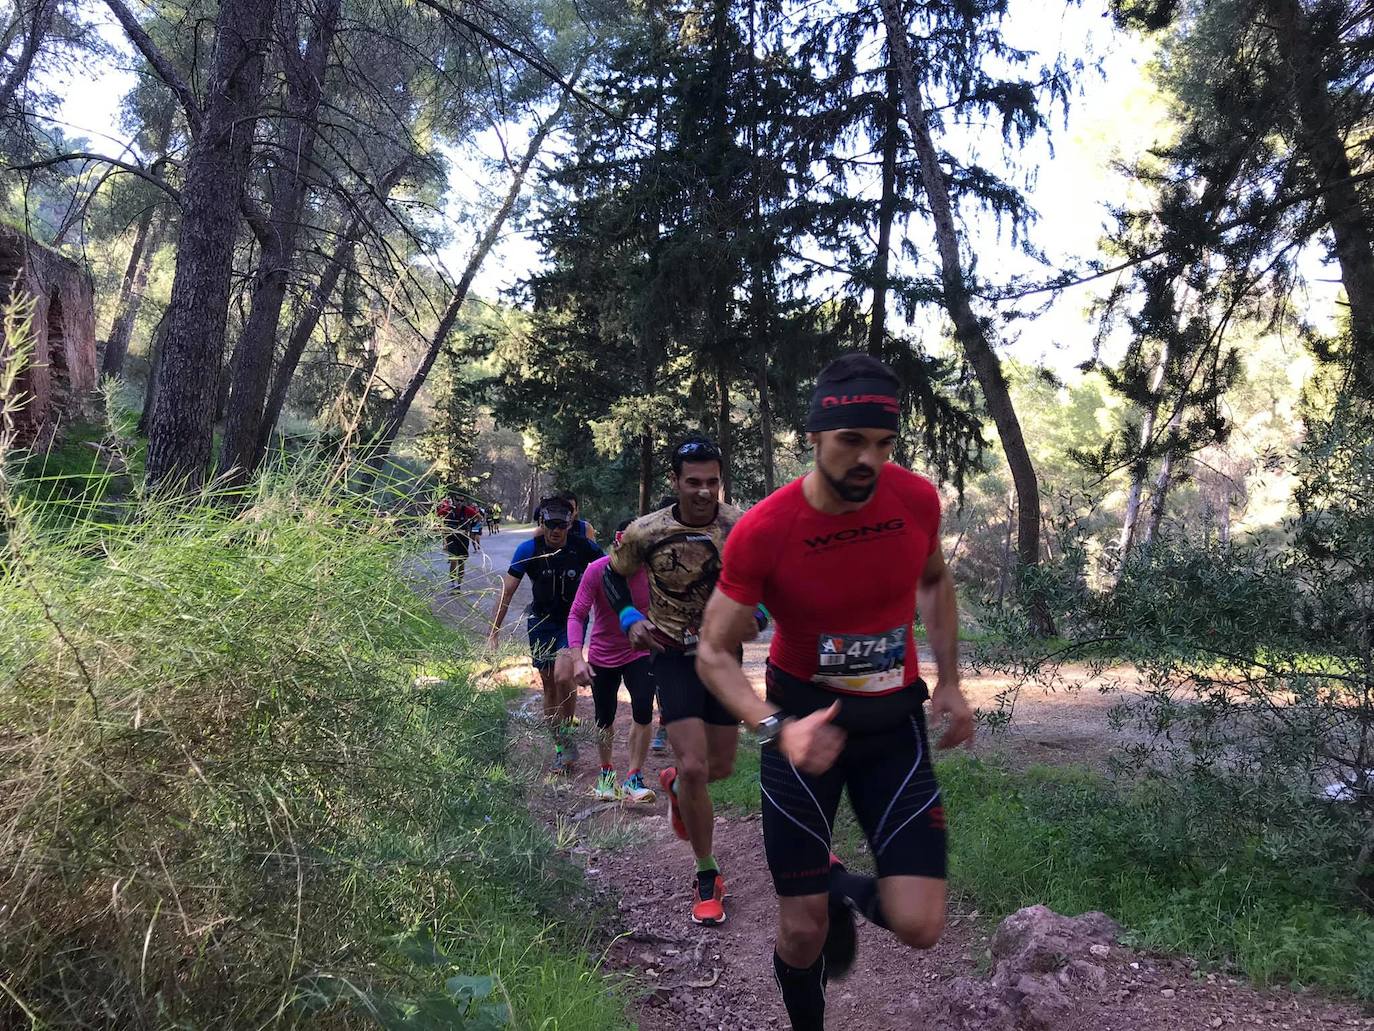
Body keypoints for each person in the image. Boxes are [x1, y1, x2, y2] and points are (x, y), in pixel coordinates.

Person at [695, 353, 975, 1031]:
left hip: (891, 727)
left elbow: (934, 581)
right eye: (851, 440)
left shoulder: (915, 499)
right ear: (814, 436)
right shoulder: (766, 529)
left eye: (883, 444)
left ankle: (843, 885)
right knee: (801, 934)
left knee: (921, 924)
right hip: (799, 731)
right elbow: (712, 652)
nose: (868, 460)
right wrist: (773, 726)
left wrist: (950, 682)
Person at [603, 437, 762, 926]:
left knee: (718, 769)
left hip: (724, 656)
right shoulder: (646, 531)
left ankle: (674, 785)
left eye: (712, 481)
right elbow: (612, 575)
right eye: (693, 481)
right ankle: (707, 873)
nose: (703, 491)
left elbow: (765, 580)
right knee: (694, 766)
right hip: (670, 654)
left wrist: (757, 612)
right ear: (675, 482)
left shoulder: (740, 526)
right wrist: (630, 614)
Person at [488, 496, 605, 772]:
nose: (556, 531)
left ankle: (566, 742)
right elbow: (508, 591)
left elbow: (611, 570)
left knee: (565, 674)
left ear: (569, 524)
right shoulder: (528, 549)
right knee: (551, 685)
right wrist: (494, 632)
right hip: (540, 622)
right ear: (542, 523)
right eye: (551, 525)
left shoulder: (582, 547)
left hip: (572, 621)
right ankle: (562, 746)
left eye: (562, 526)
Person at [563, 519, 657, 803]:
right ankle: (606, 775)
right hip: (604, 654)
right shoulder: (597, 570)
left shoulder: (652, 571)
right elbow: (577, 614)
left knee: (643, 709)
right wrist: (577, 658)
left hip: (639, 651)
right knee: (605, 717)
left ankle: (634, 777)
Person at [437, 490, 479, 585]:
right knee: (453, 560)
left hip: (463, 538)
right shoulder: (447, 509)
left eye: (461, 501)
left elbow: (479, 517)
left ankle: (459, 584)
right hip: (452, 538)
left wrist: (471, 525)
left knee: (461, 561)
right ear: (454, 500)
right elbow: (436, 517)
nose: (459, 502)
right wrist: (442, 528)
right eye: (457, 500)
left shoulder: (467, 509)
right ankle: (453, 583)